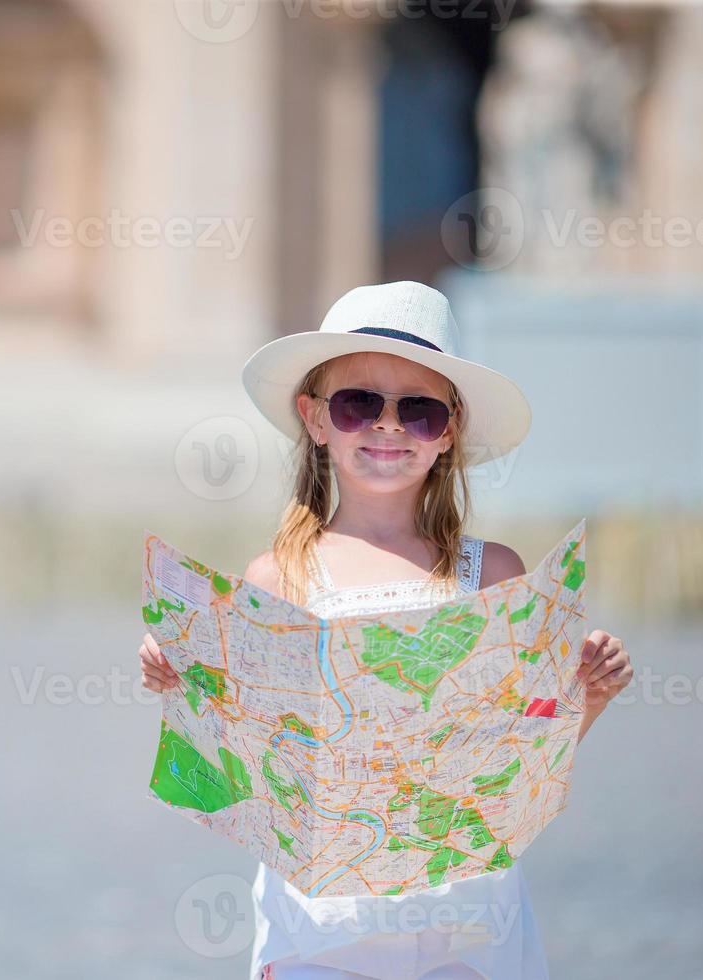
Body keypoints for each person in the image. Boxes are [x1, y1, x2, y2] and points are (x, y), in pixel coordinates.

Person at [138, 281, 634, 979]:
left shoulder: (493, 575)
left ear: (450, 430)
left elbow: (519, 760)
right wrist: (182, 685)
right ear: (315, 419)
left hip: (463, 930)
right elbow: (247, 773)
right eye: (359, 403)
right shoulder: (278, 580)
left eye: (420, 410)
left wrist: (591, 694)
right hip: (321, 935)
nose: (389, 427)